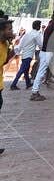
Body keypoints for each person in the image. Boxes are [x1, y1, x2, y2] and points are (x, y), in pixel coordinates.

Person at [28, 12, 54, 100]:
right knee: (41, 72)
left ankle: (35, 91)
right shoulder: (51, 27)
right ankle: (34, 92)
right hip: (47, 51)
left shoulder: (51, 26)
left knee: (41, 72)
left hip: (46, 51)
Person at [11, 20, 43, 91]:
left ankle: (28, 83)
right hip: (29, 55)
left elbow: (21, 44)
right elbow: (40, 45)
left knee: (26, 70)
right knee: (22, 70)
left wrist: (18, 51)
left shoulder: (27, 33)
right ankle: (13, 84)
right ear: (37, 26)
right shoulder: (37, 34)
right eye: (40, 26)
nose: (40, 27)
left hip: (24, 54)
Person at [0, 16, 15, 155]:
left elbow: (3, 62)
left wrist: (11, 47)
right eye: (9, 29)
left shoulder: (5, 44)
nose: (12, 31)